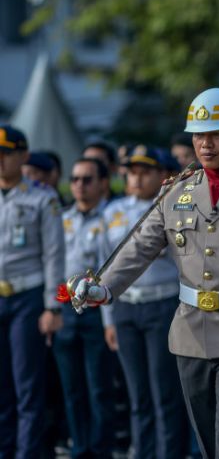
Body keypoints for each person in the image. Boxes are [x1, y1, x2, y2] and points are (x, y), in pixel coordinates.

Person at [70, 88, 219, 458]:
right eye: (199, 135)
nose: (205, 144)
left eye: (216, 134)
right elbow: (140, 246)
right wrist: (105, 289)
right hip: (190, 336)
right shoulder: (176, 191)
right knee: (210, 447)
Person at [101, 146, 187, 459]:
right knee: (137, 394)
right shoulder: (112, 211)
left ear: (163, 176)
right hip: (125, 307)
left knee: (164, 392)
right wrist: (108, 319)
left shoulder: (175, 207)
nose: (136, 177)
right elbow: (103, 267)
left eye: (145, 171)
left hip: (162, 304)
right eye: (132, 171)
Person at [0, 125, 65, 457]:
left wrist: (53, 307)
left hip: (27, 297)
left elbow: (54, 254)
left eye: (6, 154)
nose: (0, 161)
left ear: (23, 156)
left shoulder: (43, 197)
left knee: (28, 388)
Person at [55, 157, 115, 458]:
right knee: (72, 389)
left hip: (97, 312)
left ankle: (100, 449)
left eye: (87, 179)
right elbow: (54, 267)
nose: (79, 185)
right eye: (75, 179)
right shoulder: (63, 218)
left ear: (103, 183)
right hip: (66, 310)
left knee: (99, 388)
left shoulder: (112, 219)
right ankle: (80, 448)